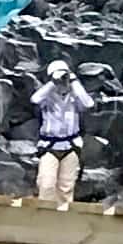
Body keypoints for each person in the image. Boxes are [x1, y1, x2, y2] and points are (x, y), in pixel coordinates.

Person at [32, 58, 92, 202]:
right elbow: (35, 99)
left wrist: (74, 80)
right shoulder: (46, 97)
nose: (62, 80)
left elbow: (88, 104)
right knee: (46, 184)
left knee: (66, 187)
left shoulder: (75, 96)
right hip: (49, 146)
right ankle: (44, 217)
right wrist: (53, 82)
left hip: (71, 145)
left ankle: (63, 218)